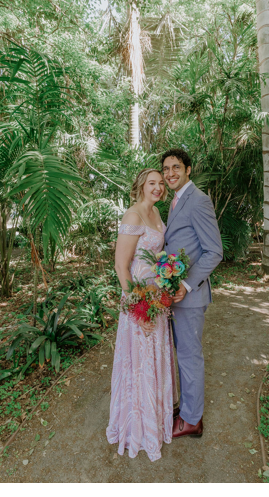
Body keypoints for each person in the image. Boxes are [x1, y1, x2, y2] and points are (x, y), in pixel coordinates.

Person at [106, 168, 174, 460]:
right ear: (141, 186)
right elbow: (121, 266)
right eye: (152, 183)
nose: (158, 188)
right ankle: (137, 428)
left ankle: (155, 422)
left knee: (154, 360)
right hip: (138, 301)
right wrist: (138, 308)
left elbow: (159, 257)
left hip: (156, 298)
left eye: (161, 184)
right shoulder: (133, 216)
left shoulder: (158, 215)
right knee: (139, 363)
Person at [160, 148, 223, 439]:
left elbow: (214, 251)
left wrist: (185, 285)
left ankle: (192, 421)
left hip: (190, 295)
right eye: (165, 169)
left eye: (175, 167)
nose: (170, 173)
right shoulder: (174, 201)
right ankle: (187, 408)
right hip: (175, 296)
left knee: (189, 356)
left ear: (188, 170)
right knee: (182, 354)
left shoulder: (198, 200)